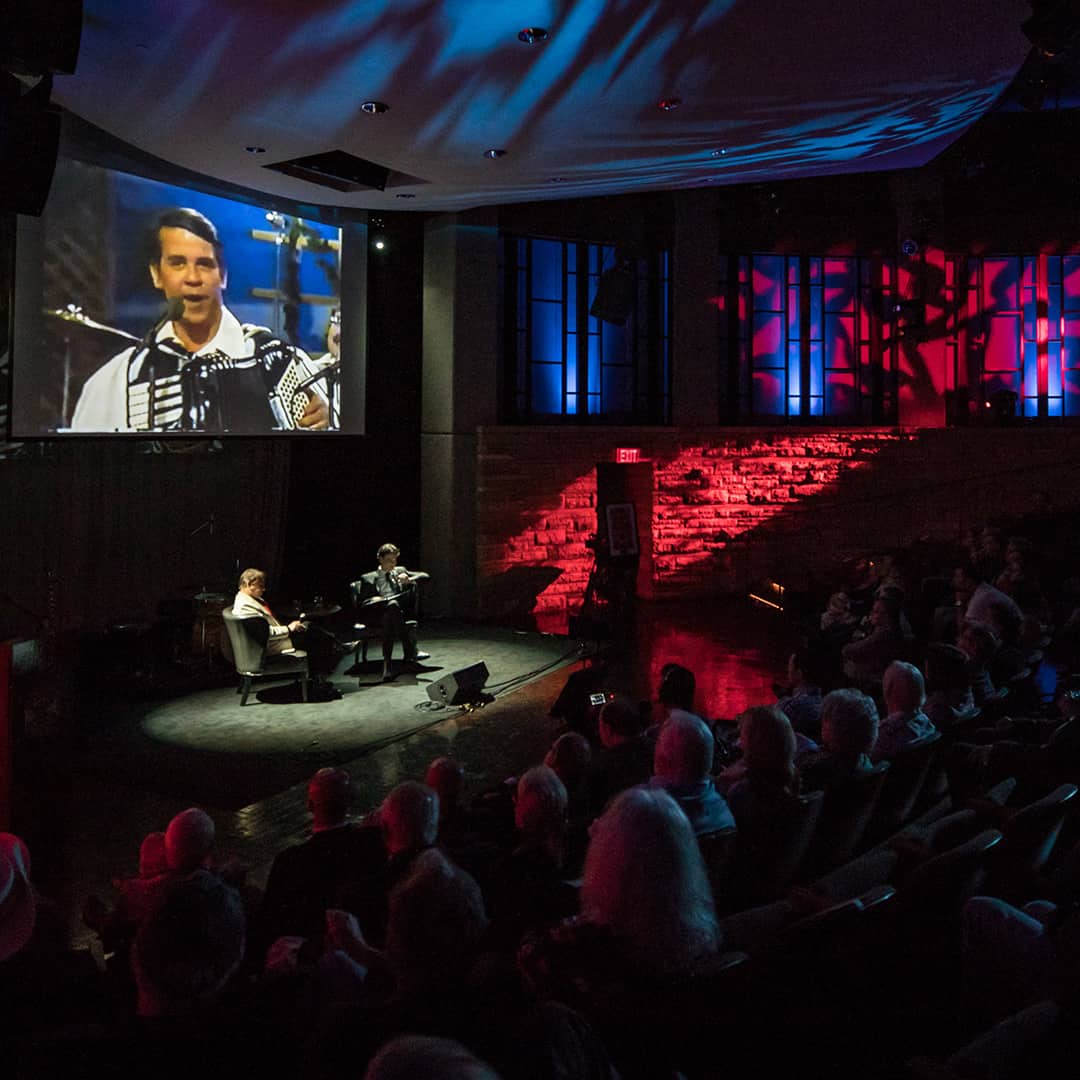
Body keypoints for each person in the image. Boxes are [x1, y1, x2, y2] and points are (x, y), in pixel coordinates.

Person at [69, 207, 330, 432]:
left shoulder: (283, 363)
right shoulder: (115, 381)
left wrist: (327, 422)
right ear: (156, 274)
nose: (193, 278)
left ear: (223, 275)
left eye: (205, 264)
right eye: (178, 263)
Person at [232, 567, 347, 690]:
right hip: (271, 645)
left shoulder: (249, 599)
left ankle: (333, 648)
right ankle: (322, 672)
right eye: (261, 586)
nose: (264, 589)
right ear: (250, 584)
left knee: (308, 626)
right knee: (314, 638)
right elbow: (265, 633)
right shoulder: (245, 606)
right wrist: (288, 629)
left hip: (274, 640)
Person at [357, 543, 431, 680]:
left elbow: (425, 576)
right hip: (377, 614)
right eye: (389, 560)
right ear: (380, 559)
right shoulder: (367, 578)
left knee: (392, 608)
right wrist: (375, 599)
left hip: (394, 615)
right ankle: (410, 649)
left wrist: (409, 579)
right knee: (391, 607)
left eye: (395, 560)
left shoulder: (399, 571)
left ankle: (387, 665)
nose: (393, 563)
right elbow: (362, 604)